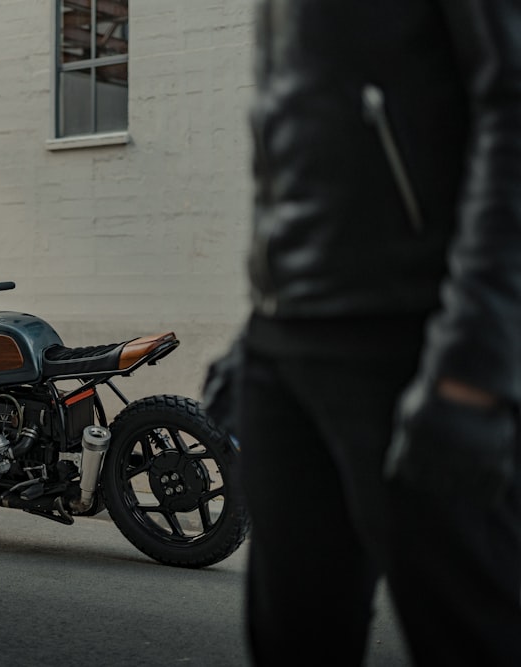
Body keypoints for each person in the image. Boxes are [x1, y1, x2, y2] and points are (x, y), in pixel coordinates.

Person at [208, 2, 521, 665]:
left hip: (417, 342)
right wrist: (258, 332)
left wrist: (476, 365)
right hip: (285, 342)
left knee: (474, 638)